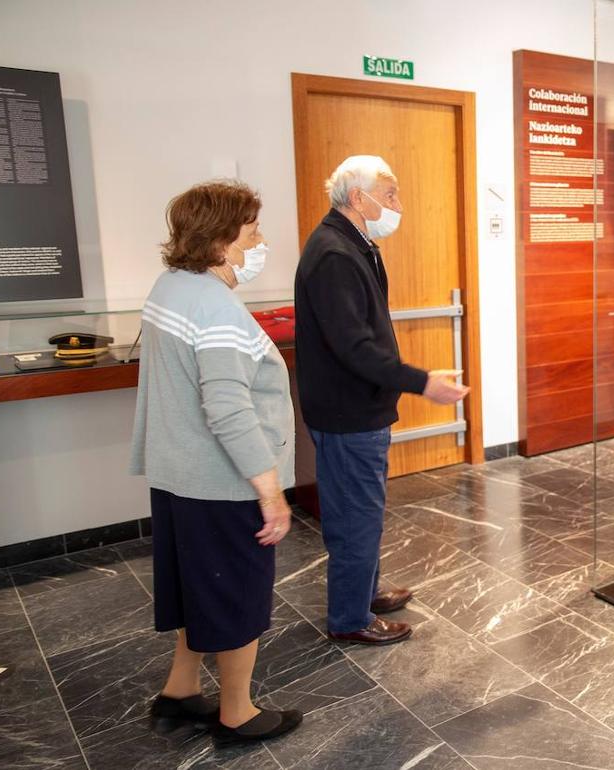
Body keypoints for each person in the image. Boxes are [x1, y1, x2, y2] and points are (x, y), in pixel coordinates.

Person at [130, 180, 302, 746]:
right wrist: (270, 492)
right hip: (221, 482)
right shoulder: (217, 309)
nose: (260, 241)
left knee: (200, 589)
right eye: (252, 231)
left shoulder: (171, 286)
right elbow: (227, 409)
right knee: (236, 597)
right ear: (222, 242)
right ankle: (237, 714)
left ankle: (179, 692)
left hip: (176, 476)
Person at [294, 155, 469, 646]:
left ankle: (363, 591)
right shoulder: (334, 254)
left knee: (360, 510)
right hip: (348, 412)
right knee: (356, 515)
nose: (397, 206)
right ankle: (350, 618)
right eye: (389, 196)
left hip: (356, 408)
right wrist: (422, 382)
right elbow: (355, 348)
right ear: (359, 198)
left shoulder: (355, 245)